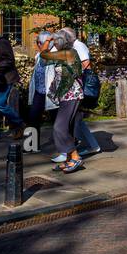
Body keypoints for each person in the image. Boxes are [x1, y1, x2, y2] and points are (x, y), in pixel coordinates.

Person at [44, 29, 86, 174]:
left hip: (71, 95)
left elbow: (44, 55)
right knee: (66, 127)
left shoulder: (69, 53)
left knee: (59, 127)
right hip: (65, 95)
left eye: (56, 41)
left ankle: (75, 156)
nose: (54, 43)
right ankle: (69, 159)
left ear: (62, 41)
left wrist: (47, 41)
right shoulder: (66, 53)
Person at [60, 27, 102, 156]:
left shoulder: (79, 46)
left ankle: (70, 149)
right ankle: (92, 146)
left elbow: (86, 65)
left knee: (73, 119)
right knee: (77, 119)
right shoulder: (72, 47)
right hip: (76, 86)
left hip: (80, 86)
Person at [26, 31, 59, 131]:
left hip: (52, 93)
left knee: (57, 122)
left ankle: (68, 143)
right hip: (39, 92)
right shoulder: (38, 55)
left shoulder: (54, 54)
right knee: (33, 118)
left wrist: (48, 40)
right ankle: (33, 146)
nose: (37, 45)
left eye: (38, 43)